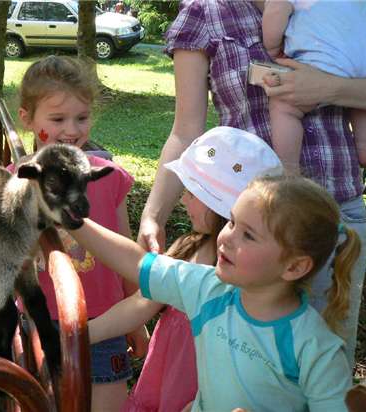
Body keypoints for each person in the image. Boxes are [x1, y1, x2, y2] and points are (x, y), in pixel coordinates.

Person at [137, 0, 366, 367]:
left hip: (336, 216)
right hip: (254, 230)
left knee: (328, 361)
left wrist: (327, 88)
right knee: (256, 366)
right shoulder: (205, 12)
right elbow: (186, 129)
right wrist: (154, 214)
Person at [72, 173, 361, 412]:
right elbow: (137, 264)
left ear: (295, 266)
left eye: (248, 235)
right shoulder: (210, 290)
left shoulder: (315, 347)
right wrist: (72, 220)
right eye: (232, 222)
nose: (226, 238)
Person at [89, 126, 284, 412]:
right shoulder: (187, 248)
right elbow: (142, 302)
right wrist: (80, 335)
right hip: (163, 381)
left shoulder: (246, 279)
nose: (183, 200)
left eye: (192, 193)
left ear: (220, 205)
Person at [6, 55, 149, 412]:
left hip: (106, 322)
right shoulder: (14, 181)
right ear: (27, 119)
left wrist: (137, 319)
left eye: (81, 118)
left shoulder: (111, 177)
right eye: (57, 119)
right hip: (41, 325)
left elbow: (125, 255)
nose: (72, 129)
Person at [262, 0, 366, 172]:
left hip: (327, 59)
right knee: (364, 101)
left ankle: (289, 168)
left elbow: (276, 11)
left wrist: (272, 47)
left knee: (283, 106)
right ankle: (364, 148)